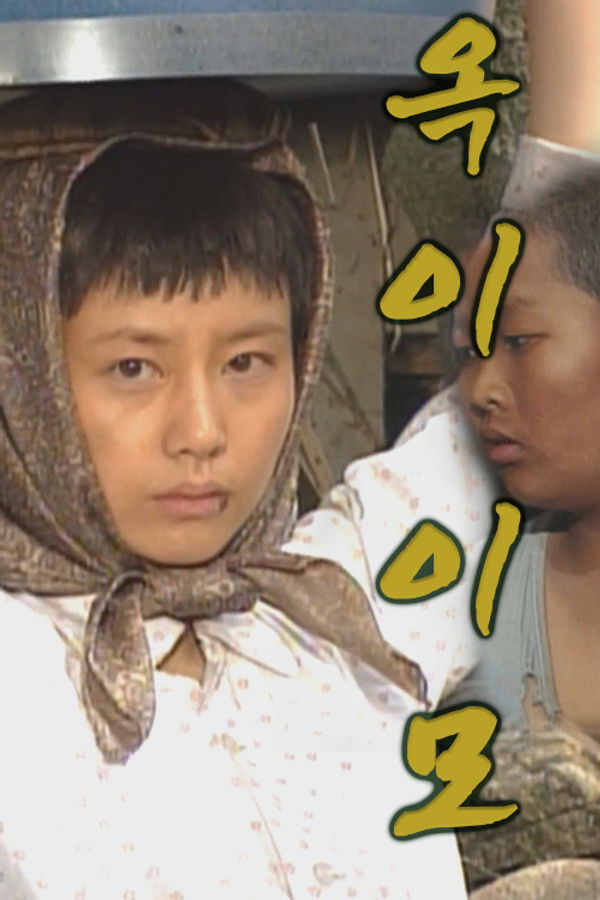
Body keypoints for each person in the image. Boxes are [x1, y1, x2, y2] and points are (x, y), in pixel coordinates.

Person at [0, 81, 468, 898]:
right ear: (22, 377)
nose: (202, 430)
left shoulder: (342, 600)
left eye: (246, 362)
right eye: (133, 368)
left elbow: (556, 354)